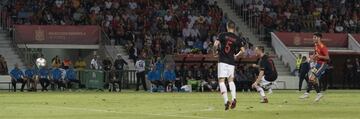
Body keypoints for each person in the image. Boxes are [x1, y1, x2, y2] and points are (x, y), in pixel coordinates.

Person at [213, 21, 246, 110]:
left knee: (221, 81)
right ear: (234, 28)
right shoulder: (237, 38)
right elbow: (243, 51)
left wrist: (214, 52)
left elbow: (215, 44)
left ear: (227, 27)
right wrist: (236, 55)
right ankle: (234, 98)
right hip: (231, 61)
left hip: (223, 60)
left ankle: (226, 101)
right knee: (231, 81)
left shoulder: (222, 35)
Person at [299, 32, 330, 102]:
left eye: (315, 37)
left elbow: (327, 57)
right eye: (313, 37)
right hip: (317, 64)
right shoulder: (316, 45)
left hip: (322, 64)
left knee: (312, 78)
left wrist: (319, 56)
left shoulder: (323, 47)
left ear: (319, 38)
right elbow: (315, 53)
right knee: (311, 78)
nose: (313, 38)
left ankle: (307, 93)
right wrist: (311, 58)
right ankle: (318, 94)